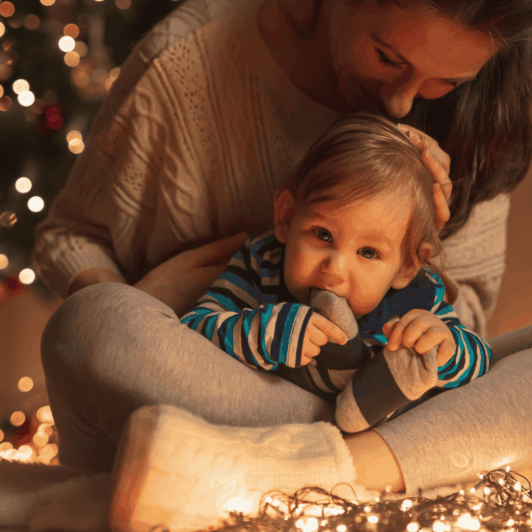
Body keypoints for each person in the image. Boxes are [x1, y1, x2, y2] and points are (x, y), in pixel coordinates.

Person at [35, 0, 532, 531]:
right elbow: (67, 236)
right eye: (387, 56)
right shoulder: (188, 60)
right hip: (218, 384)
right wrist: (154, 297)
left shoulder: (477, 114)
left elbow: (464, 338)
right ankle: (414, 469)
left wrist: (433, 231)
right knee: (93, 322)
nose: (403, 100)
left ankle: (302, 472)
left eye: (440, 83)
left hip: (386, 396)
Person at [180, 113, 493, 433]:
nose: (335, 270)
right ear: (287, 218)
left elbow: (481, 359)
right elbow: (190, 330)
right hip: (276, 420)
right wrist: (264, 332)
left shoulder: (416, 295)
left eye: (368, 253)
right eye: (323, 235)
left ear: (407, 266)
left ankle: (376, 394)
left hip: (379, 443)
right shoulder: (263, 264)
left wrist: (446, 347)